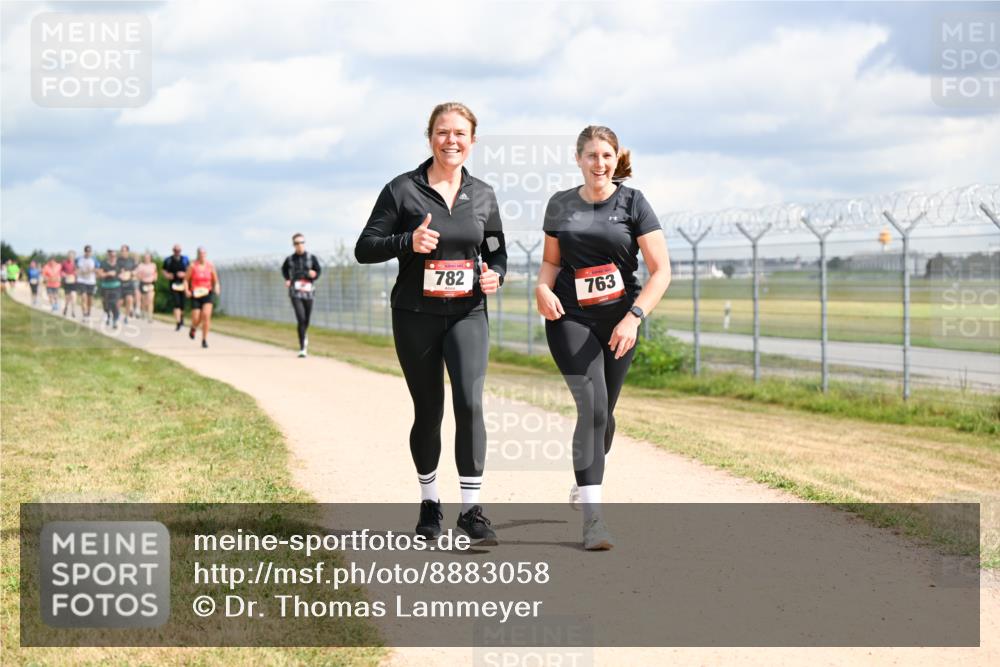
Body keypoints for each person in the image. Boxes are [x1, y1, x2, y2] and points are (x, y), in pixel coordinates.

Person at [355, 102, 507, 545]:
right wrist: (409, 240)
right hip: (415, 316)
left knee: (470, 404)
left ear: (472, 140)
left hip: (468, 313)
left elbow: (496, 248)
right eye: (443, 132)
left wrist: (496, 272)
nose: (451, 140)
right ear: (430, 137)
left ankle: (472, 510)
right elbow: (365, 248)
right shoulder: (402, 190)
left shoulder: (483, 194)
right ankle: (429, 501)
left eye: (460, 133)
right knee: (429, 410)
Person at [535, 125, 671, 550]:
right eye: (591, 155)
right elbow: (550, 264)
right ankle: (594, 519)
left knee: (604, 415)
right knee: (592, 407)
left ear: (616, 158)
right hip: (569, 317)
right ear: (579, 159)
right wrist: (541, 288)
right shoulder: (560, 204)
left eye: (606, 156)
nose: (599, 163)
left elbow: (660, 270)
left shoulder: (634, 202)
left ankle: (585, 474)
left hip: (619, 321)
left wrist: (633, 317)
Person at [281, 233, 322, 357]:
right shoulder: (289, 259)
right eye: (296, 243)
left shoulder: (311, 257)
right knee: (300, 317)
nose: (299, 245)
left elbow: (318, 270)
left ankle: (304, 333)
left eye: (301, 242)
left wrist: (314, 274)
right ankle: (302, 348)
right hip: (295, 291)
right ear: (293, 244)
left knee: (306, 319)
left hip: (308, 291)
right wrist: (287, 279)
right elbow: (284, 270)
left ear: (304, 243)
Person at [185, 246, 219, 348]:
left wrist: (217, 288)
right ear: (197, 254)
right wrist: (187, 290)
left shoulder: (210, 266)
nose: (202, 255)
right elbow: (186, 280)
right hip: (196, 293)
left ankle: (204, 340)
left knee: (206, 315)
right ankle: (193, 327)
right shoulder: (192, 266)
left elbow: (215, 280)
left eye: (204, 253)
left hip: (207, 292)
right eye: (200, 253)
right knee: (196, 317)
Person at [162, 245, 189, 331]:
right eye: (176, 250)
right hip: (174, 285)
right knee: (176, 303)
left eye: (179, 250)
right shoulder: (168, 260)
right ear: (173, 250)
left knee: (182, 304)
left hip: (183, 284)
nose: (177, 252)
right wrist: (167, 275)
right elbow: (164, 270)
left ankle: (181, 320)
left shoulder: (185, 259)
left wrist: (184, 274)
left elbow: (189, 271)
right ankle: (178, 323)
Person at [97, 248, 122, 328]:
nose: (113, 257)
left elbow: (123, 274)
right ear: (108, 256)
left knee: (114, 303)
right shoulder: (103, 263)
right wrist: (108, 274)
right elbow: (100, 275)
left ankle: (115, 320)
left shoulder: (119, 264)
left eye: (114, 255)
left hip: (116, 287)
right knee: (106, 304)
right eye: (111, 255)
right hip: (106, 286)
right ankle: (108, 315)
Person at [76, 245, 98, 320]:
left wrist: (91, 270)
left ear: (91, 252)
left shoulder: (94, 259)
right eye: (86, 251)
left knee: (90, 299)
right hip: (81, 280)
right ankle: (84, 314)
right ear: (84, 251)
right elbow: (76, 269)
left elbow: (98, 270)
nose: (88, 253)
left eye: (89, 251)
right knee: (83, 297)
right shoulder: (79, 259)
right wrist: (80, 271)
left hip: (91, 281)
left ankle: (88, 312)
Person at [117, 244, 138, 323]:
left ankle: (126, 317)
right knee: (120, 301)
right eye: (122, 250)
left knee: (129, 299)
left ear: (127, 251)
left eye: (125, 250)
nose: (123, 252)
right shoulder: (118, 260)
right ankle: (117, 314)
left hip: (129, 283)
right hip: (119, 284)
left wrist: (131, 273)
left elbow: (136, 270)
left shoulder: (131, 260)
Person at [135, 252, 158, 321]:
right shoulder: (141, 265)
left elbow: (155, 273)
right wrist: (140, 276)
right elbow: (137, 275)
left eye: (148, 257)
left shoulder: (153, 265)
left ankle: (150, 316)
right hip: (143, 283)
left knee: (150, 300)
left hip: (150, 284)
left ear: (150, 258)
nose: (147, 259)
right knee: (144, 300)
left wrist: (155, 278)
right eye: (145, 258)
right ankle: (143, 312)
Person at [61, 250, 78, 318]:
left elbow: (78, 271)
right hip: (67, 282)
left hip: (74, 282)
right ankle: (66, 307)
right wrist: (64, 274)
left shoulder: (76, 263)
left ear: (74, 256)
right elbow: (61, 271)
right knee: (67, 298)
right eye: (69, 256)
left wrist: (75, 274)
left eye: (72, 256)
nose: (70, 257)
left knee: (73, 296)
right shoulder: (64, 263)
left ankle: (73, 311)